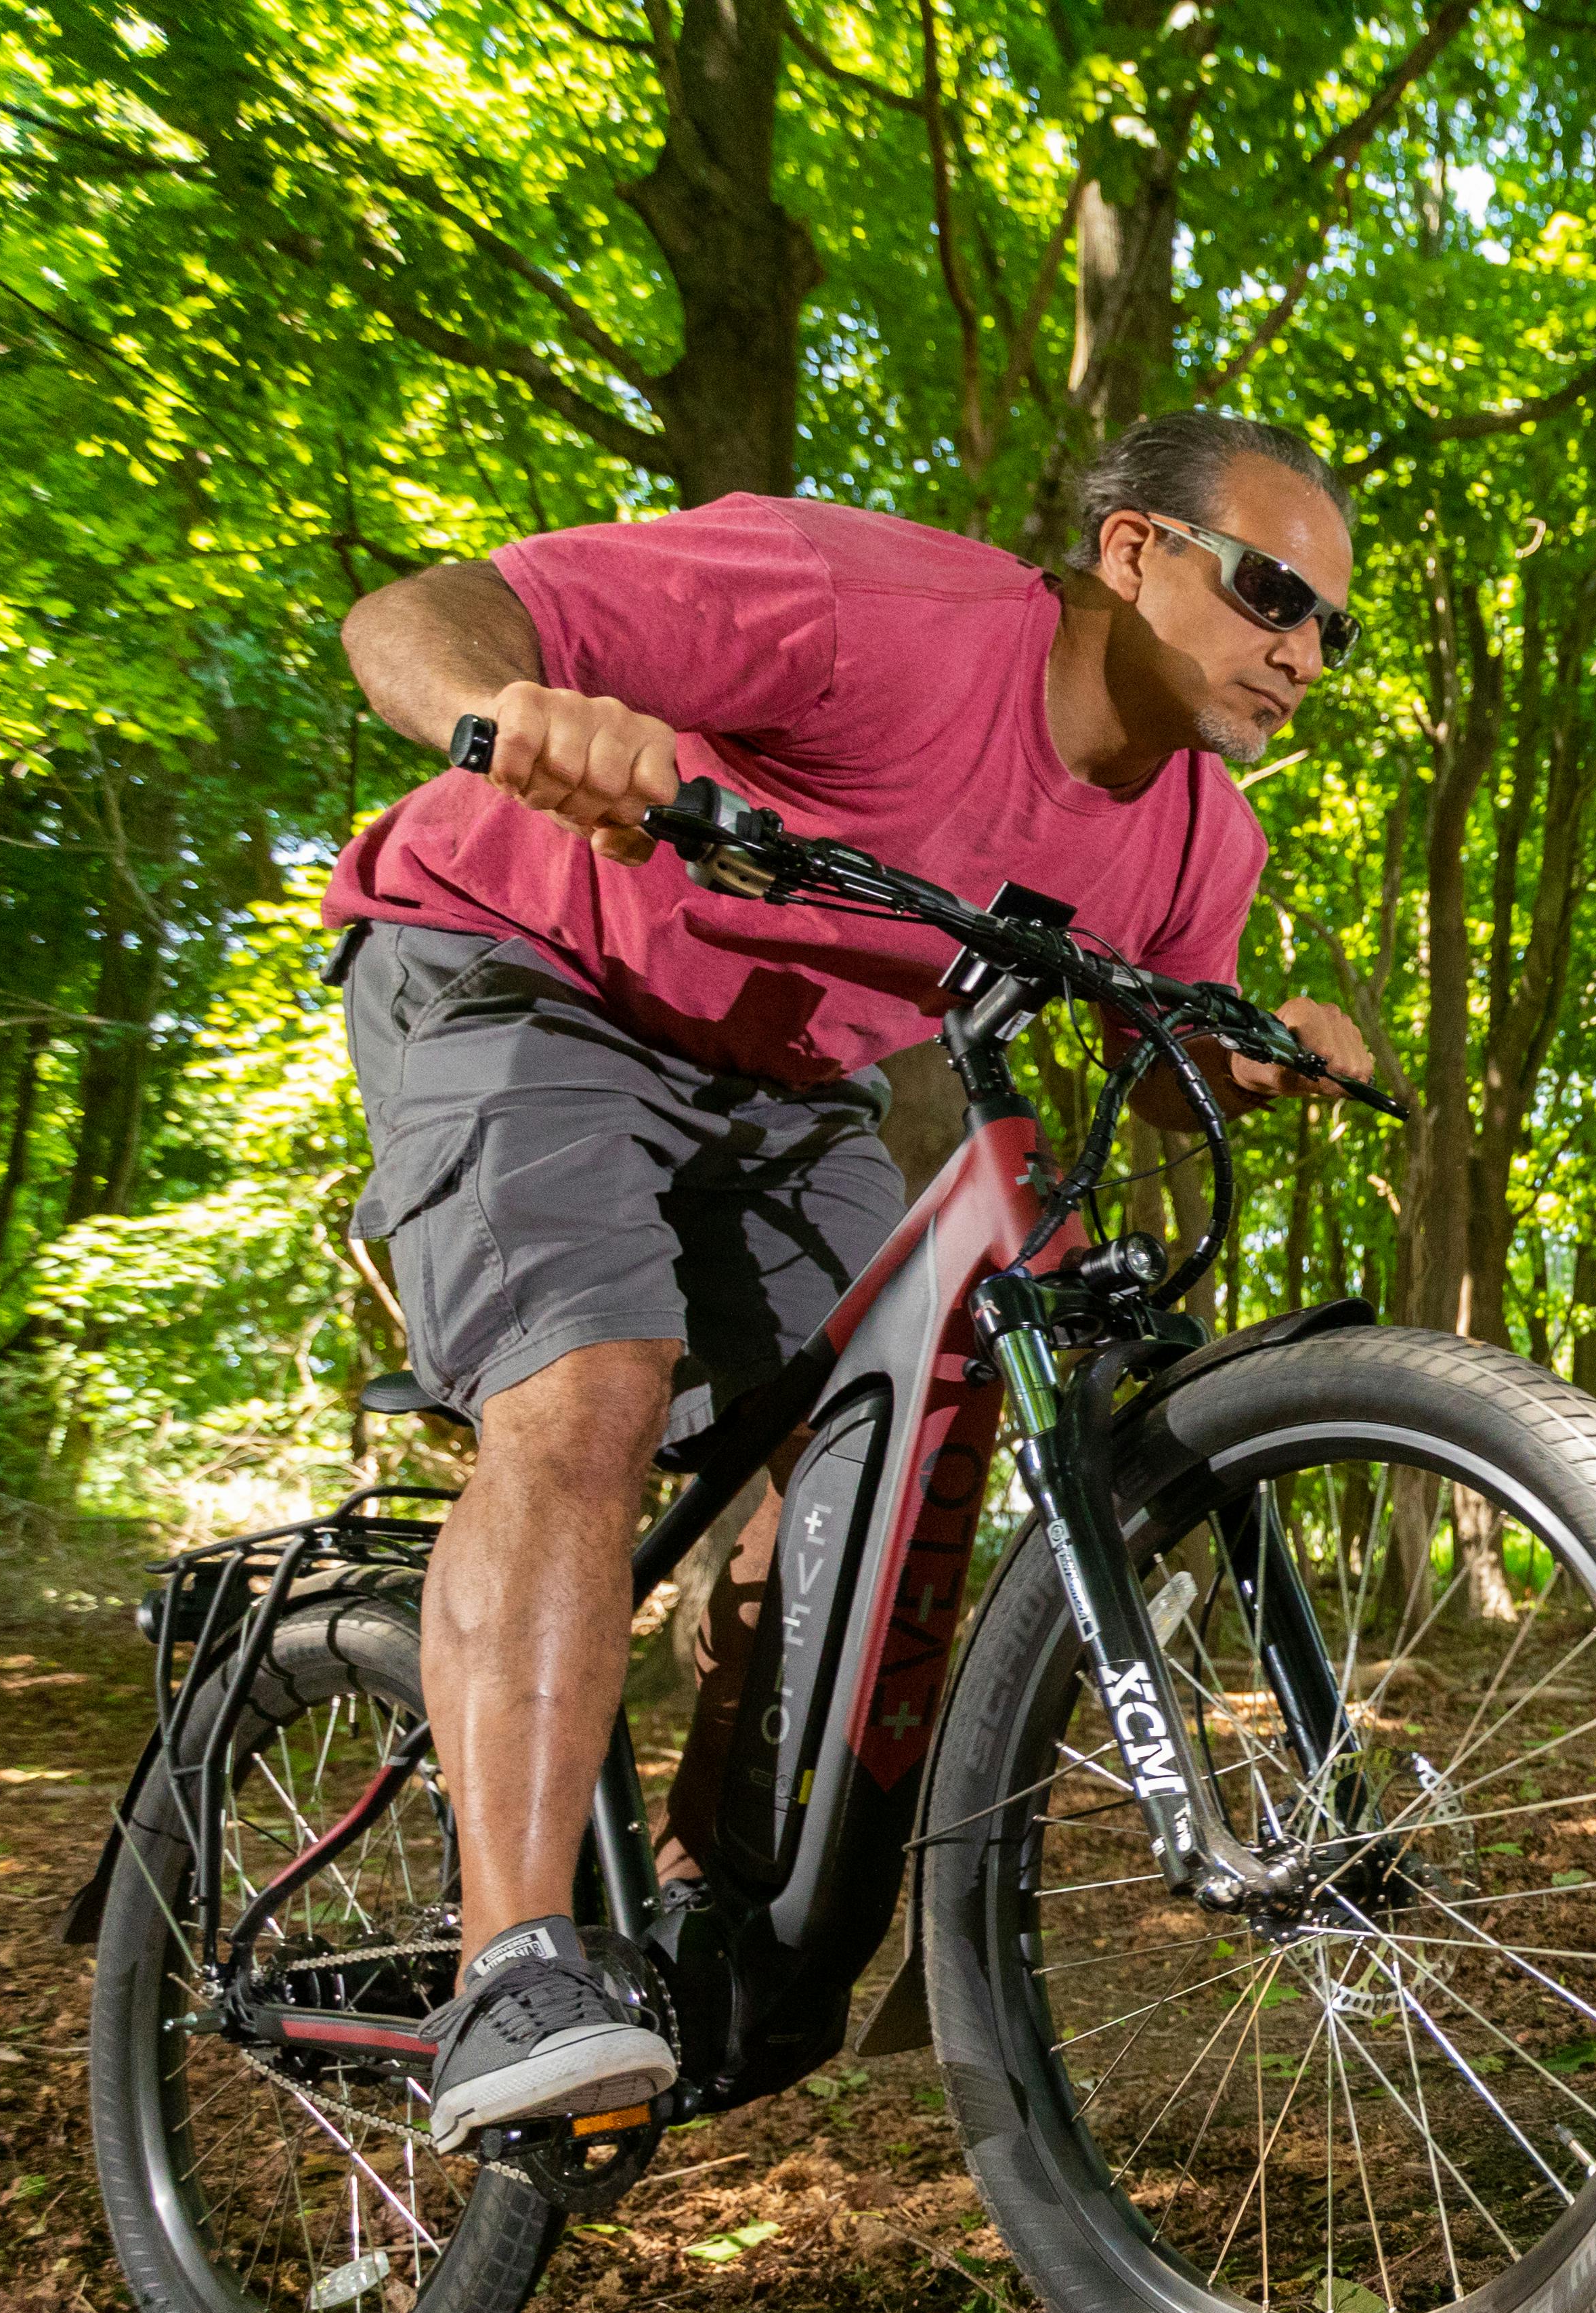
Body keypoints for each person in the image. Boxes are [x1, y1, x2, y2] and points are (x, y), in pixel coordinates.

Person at [322, 411, 1379, 2151]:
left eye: (1334, 626)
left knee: (868, 1463)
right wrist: (516, 711)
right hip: (519, 964)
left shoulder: (1200, 842)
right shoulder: (863, 605)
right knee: (589, 1386)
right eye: (1275, 592)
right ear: (1131, 553)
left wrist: (1262, 1051)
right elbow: (414, 618)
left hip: (784, 1074)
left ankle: (699, 1913)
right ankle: (513, 1964)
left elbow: (1161, 1031)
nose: (1303, 651)